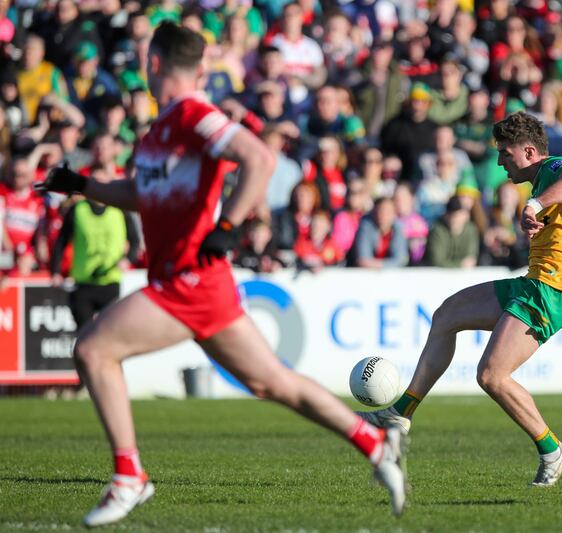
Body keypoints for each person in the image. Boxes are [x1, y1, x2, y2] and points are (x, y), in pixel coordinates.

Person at [34, 22, 406, 528]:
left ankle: (129, 476)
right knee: (272, 381)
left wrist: (228, 225)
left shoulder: (193, 115)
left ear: (156, 63)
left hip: (188, 279)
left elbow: (258, 157)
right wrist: (80, 184)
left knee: (93, 349)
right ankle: (374, 442)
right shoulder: (161, 129)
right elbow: (141, 196)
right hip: (195, 283)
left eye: (146, 59)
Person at [359, 112, 562, 487]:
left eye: (505, 153)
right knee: (446, 314)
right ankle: (401, 413)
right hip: (538, 286)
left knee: (491, 375)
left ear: (530, 151)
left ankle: (552, 449)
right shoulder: (545, 182)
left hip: (548, 293)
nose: (500, 162)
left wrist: (533, 206)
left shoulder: (556, 168)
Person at [50, 165, 140, 328]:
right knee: (84, 334)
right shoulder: (78, 210)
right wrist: (55, 271)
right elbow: (61, 241)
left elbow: (135, 240)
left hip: (110, 281)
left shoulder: (119, 209)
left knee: (109, 332)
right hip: (83, 281)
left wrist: (128, 259)